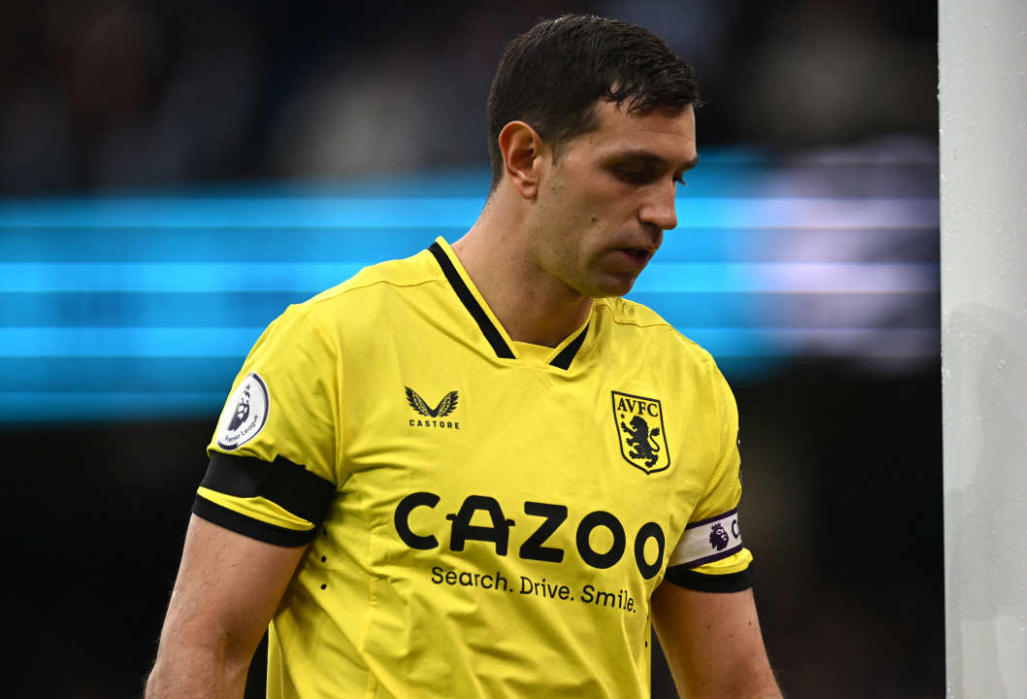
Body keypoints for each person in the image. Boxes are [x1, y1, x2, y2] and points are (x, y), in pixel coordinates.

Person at [146, 14, 781, 699]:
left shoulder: (688, 388)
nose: (664, 212)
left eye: (677, 180)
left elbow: (735, 683)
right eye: (633, 171)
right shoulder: (337, 345)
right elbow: (205, 649)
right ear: (525, 158)